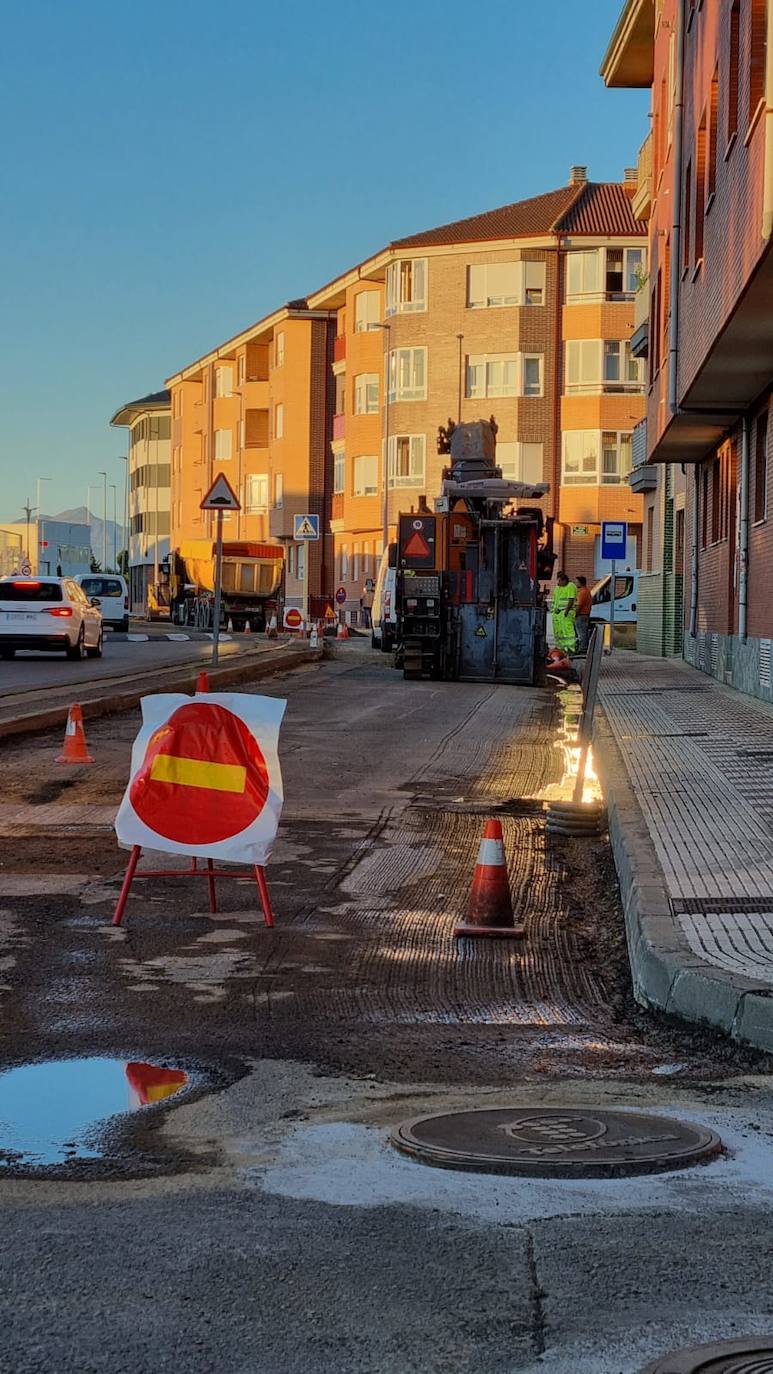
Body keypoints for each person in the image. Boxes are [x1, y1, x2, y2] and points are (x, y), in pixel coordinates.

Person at [551, 571, 577, 655]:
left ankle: (571, 648)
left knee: (568, 631)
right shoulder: (558, 588)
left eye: (559, 581)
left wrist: (566, 612)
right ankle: (561, 648)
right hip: (558, 613)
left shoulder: (570, 586)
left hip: (566, 613)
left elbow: (571, 600)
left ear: (564, 580)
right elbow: (556, 600)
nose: (558, 583)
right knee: (559, 632)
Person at [575, 575, 592, 653]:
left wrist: (575, 614)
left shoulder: (582, 592)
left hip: (581, 615)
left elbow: (579, 605)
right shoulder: (587, 591)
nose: (576, 584)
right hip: (585, 614)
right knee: (583, 632)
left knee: (581, 632)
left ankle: (582, 648)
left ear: (581, 583)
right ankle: (584, 647)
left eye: (577, 582)